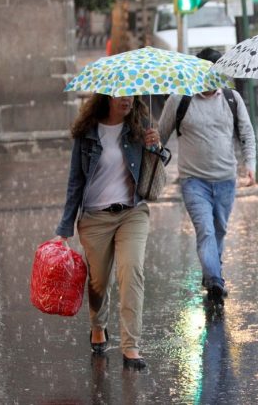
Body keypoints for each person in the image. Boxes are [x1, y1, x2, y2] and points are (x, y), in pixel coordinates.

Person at [54, 93, 161, 370]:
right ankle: (98, 325)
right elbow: (75, 182)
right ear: (107, 98)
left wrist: (154, 148)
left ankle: (131, 347)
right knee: (99, 282)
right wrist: (64, 229)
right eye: (120, 96)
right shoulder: (87, 132)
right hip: (95, 218)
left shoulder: (140, 125)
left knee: (132, 271)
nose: (127, 100)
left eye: (131, 95)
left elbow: (153, 175)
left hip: (132, 212)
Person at [153, 48, 256, 304]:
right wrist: (150, 147)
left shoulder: (232, 99)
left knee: (219, 229)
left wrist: (250, 166)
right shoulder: (180, 100)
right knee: (206, 231)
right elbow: (161, 135)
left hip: (226, 179)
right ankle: (215, 280)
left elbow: (247, 134)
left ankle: (211, 272)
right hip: (193, 181)